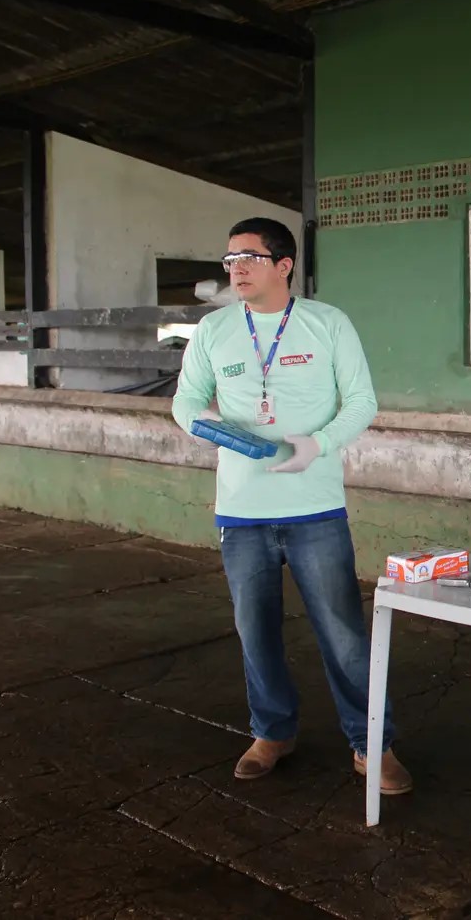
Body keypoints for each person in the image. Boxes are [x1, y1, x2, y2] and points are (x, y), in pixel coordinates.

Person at [171, 217, 410, 795]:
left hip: (314, 507)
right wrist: (204, 424)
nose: (237, 269)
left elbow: (361, 401)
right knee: (255, 629)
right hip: (242, 509)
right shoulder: (213, 330)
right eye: (230, 259)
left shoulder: (326, 324)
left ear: (284, 265)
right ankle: (272, 732)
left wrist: (317, 445)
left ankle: (371, 744)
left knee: (344, 634)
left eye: (249, 257)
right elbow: (185, 399)